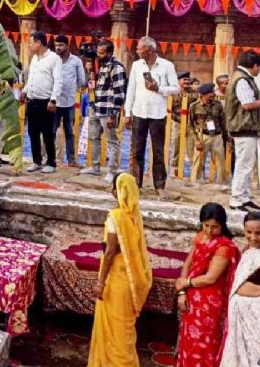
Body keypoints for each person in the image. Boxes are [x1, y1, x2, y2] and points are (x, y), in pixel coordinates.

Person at [87, 173, 152, 367]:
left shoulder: (115, 217)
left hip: (116, 281)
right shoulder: (134, 217)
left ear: (117, 191)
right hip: (129, 280)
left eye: (113, 187)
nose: (111, 190)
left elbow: (109, 253)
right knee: (124, 331)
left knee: (115, 330)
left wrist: (100, 282)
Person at [175, 203, 240, 367]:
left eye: (215, 227)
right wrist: (182, 292)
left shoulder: (224, 247)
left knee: (204, 343)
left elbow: (211, 278)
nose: (210, 230)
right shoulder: (200, 237)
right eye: (206, 225)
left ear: (222, 225)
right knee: (189, 340)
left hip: (209, 304)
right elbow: (188, 264)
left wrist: (185, 283)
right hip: (191, 298)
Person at [124, 36, 179, 199]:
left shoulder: (167, 66)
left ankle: (160, 185)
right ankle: (136, 184)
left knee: (158, 151)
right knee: (136, 151)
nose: (137, 51)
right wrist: (127, 113)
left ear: (149, 50)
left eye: (139, 48)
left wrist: (159, 88)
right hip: (139, 112)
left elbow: (176, 88)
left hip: (158, 114)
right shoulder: (136, 65)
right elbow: (131, 90)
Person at [220, 211, 260, 367]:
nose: (253, 237)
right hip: (241, 324)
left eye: (259, 233)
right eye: (248, 232)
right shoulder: (248, 252)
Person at [226, 51, 260, 211]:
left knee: (247, 164)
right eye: (259, 67)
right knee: (243, 165)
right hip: (243, 127)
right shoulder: (242, 80)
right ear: (254, 65)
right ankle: (236, 199)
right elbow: (247, 104)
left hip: (246, 128)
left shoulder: (243, 77)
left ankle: (244, 197)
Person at [81, 40, 127, 182]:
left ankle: (112, 171)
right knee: (93, 137)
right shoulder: (101, 66)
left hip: (108, 109)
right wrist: (92, 77)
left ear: (110, 53)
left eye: (102, 53)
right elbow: (95, 87)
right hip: (96, 106)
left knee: (111, 141)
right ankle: (95, 167)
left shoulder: (116, 68)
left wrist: (113, 114)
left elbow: (120, 93)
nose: (99, 55)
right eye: (98, 53)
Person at [22, 32, 62, 173]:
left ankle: (51, 162)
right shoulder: (34, 58)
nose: (29, 45)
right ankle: (36, 161)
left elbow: (58, 81)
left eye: (31, 42)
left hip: (46, 101)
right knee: (32, 132)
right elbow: (31, 78)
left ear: (38, 43)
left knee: (47, 133)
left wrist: (53, 100)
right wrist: (25, 90)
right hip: (32, 100)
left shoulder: (54, 58)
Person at [53, 35, 86, 168]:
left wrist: (71, 89)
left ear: (67, 46)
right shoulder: (52, 60)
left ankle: (71, 160)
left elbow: (81, 80)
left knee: (69, 132)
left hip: (69, 102)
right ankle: (49, 159)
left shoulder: (76, 61)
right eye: (56, 45)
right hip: (54, 101)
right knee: (51, 131)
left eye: (60, 45)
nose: (58, 48)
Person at [189, 83, 227, 183]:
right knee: (198, 161)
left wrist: (227, 138)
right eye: (211, 92)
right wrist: (196, 140)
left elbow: (223, 122)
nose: (213, 94)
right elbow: (190, 125)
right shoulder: (194, 106)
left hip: (217, 136)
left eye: (213, 92)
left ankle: (220, 183)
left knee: (220, 162)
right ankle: (195, 183)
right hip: (202, 136)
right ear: (203, 94)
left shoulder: (218, 105)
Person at [170, 71, 196, 176]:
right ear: (178, 81)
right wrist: (179, 118)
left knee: (191, 149)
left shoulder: (194, 94)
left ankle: (194, 173)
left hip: (191, 125)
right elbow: (169, 109)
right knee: (176, 147)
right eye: (184, 79)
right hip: (177, 123)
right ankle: (175, 171)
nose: (187, 82)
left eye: (188, 79)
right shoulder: (173, 93)